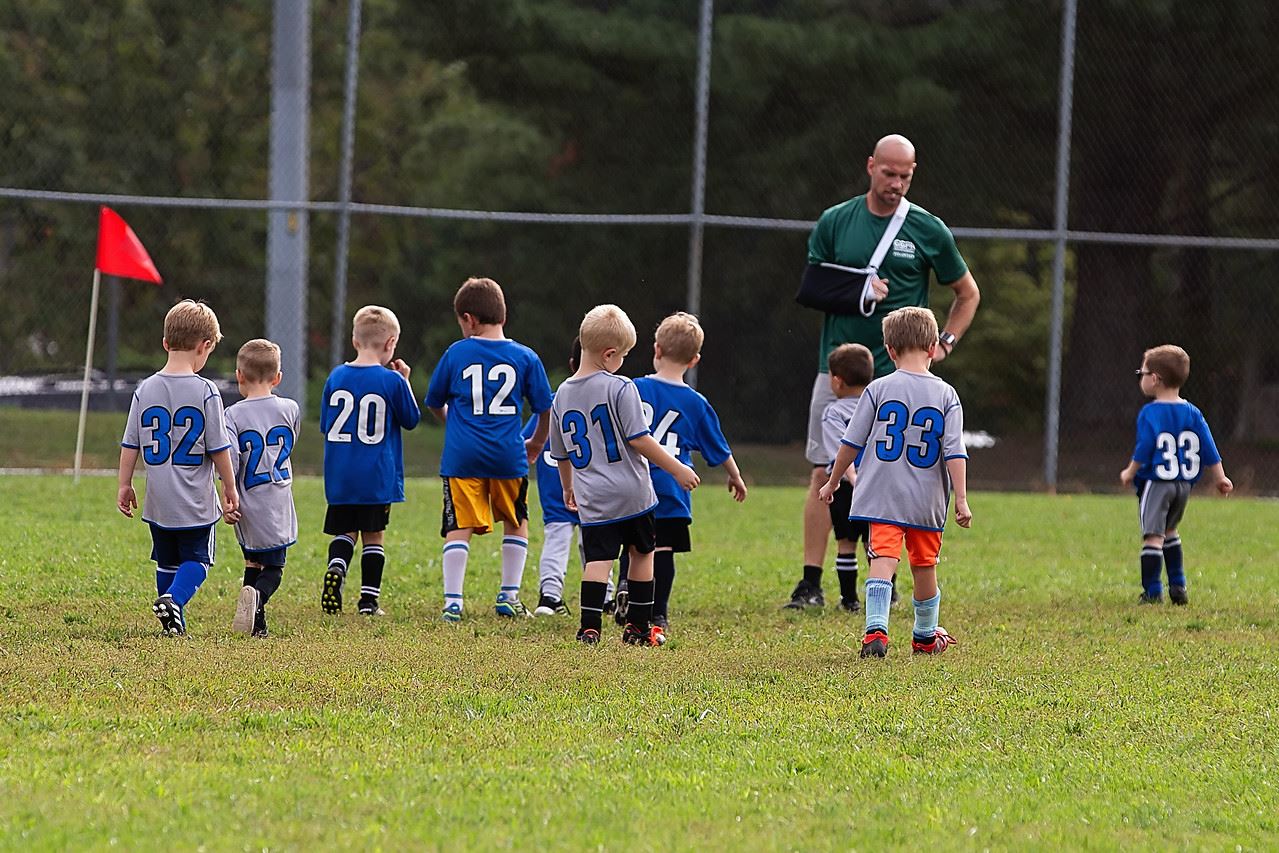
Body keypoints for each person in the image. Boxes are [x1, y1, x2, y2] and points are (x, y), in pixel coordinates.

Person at [789, 133, 981, 610]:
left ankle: (885, 572)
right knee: (824, 469)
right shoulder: (837, 220)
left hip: (901, 375)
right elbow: (811, 287)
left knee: (894, 473)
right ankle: (811, 582)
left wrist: (945, 344)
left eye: (906, 176)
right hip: (838, 371)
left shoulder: (926, 228)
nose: (896, 183)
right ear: (870, 165)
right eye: (888, 173)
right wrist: (858, 290)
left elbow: (967, 293)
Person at [819, 307, 972, 658]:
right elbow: (954, 452)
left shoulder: (877, 389)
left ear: (888, 350)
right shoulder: (947, 395)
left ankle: (876, 628)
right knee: (924, 565)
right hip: (926, 498)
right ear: (933, 348)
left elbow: (851, 442)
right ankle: (923, 636)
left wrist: (832, 480)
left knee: (882, 558)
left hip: (882, 495)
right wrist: (961, 499)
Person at [548, 304, 700, 646]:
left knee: (598, 559)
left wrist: (567, 488)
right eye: (624, 355)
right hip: (632, 493)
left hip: (593, 498)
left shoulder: (561, 396)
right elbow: (640, 439)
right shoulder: (621, 387)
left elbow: (561, 453)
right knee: (642, 553)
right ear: (610, 353)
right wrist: (677, 468)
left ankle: (589, 628)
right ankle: (638, 628)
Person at [425, 277, 554, 622]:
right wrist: (538, 442)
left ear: (468, 319)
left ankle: (453, 602)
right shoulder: (525, 356)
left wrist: (452, 420)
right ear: (503, 315)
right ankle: (508, 597)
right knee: (516, 522)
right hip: (508, 455)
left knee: (459, 527)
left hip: (461, 457)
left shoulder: (456, 353)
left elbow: (435, 401)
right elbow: (545, 408)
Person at [616, 312, 747, 642]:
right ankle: (657, 611)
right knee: (662, 552)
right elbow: (718, 447)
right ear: (695, 360)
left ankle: (625, 592)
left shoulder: (633, 388)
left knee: (633, 546)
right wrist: (735, 476)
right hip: (672, 491)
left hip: (632, 485)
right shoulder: (695, 402)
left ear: (656, 349)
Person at [117, 299, 238, 636]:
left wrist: (124, 485)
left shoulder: (145, 389)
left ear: (165, 343)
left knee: (167, 560)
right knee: (198, 561)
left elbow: (131, 444)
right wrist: (229, 486)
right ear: (206, 346)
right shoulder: (206, 391)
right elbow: (218, 447)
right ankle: (173, 600)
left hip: (158, 500)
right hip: (196, 502)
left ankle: (173, 622)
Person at [320, 305, 421, 617]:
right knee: (373, 536)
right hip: (376, 476)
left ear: (354, 340)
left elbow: (326, 425)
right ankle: (368, 602)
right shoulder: (391, 381)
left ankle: (337, 567)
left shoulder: (336, 376)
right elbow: (411, 419)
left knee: (345, 531)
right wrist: (404, 381)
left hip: (341, 474)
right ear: (391, 344)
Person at [1119, 345, 1233, 605]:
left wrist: (1130, 471)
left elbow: (1146, 446)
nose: (1141, 377)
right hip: (1183, 486)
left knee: (1153, 536)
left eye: (1143, 372)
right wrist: (1220, 478)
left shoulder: (1150, 412)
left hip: (1157, 483)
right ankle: (1178, 585)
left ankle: (1152, 590)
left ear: (1155, 379)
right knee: (1170, 531)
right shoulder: (1193, 412)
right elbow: (1209, 447)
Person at [789, 341, 874, 614]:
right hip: (876, 485)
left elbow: (839, 451)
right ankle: (884, 596)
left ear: (836, 382)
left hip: (846, 487)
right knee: (877, 544)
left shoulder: (833, 413)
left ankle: (849, 600)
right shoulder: (880, 409)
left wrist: (849, 478)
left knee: (846, 544)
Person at [223, 339, 300, 637]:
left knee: (252, 561)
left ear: (239, 375)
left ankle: (257, 625)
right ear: (278, 378)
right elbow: (290, 442)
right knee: (274, 569)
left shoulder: (233, 414)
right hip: (277, 500)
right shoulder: (290, 408)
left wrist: (227, 495)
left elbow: (229, 457)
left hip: (247, 502)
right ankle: (259, 600)